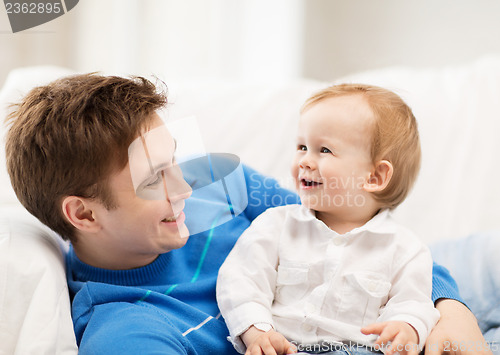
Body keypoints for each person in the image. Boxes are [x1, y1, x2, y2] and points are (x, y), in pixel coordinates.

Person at [3, 74, 491, 355]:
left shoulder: (216, 176)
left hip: (399, 275)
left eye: (175, 158)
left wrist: (451, 308)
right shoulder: (127, 328)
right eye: (155, 178)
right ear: (83, 216)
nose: (185, 188)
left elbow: (349, 230)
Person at [216, 84, 490, 355]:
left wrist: (407, 327)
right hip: (285, 347)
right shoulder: (275, 225)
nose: (304, 161)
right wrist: (258, 332)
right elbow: (241, 281)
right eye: (302, 146)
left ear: (375, 177)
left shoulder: (405, 249)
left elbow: (415, 302)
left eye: (324, 150)